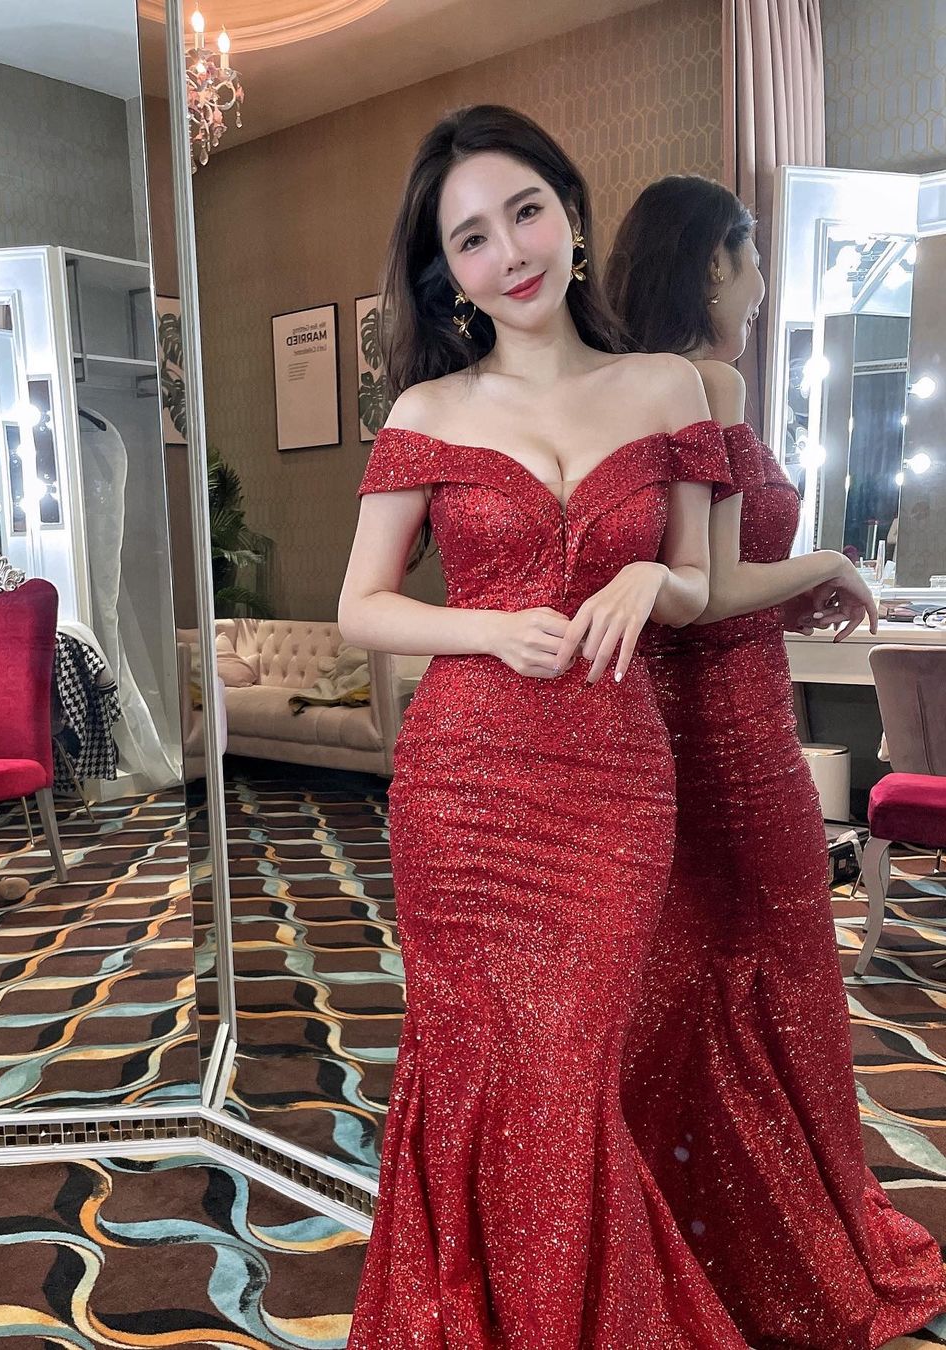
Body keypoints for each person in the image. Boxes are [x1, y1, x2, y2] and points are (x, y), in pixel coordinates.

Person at [338, 106, 748, 1347]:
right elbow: (361, 608)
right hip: (465, 791)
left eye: (524, 212)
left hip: (614, 788)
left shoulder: (668, 387)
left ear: (569, 212)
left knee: (567, 1072)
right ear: (448, 272)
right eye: (471, 238)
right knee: (485, 1069)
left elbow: (702, 583)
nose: (508, 251)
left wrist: (651, 580)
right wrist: (485, 627)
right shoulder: (428, 408)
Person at [605, 174, 946, 1347]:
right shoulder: (708, 382)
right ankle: (775, 1243)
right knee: (778, 958)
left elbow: (688, 581)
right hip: (729, 722)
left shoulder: (631, 388)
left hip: (675, 712)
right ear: (713, 263)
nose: (761, 282)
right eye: (751, 258)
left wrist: (789, 598)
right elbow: (704, 594)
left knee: (694, 962)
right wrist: (830, 566)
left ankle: (675, 1216)